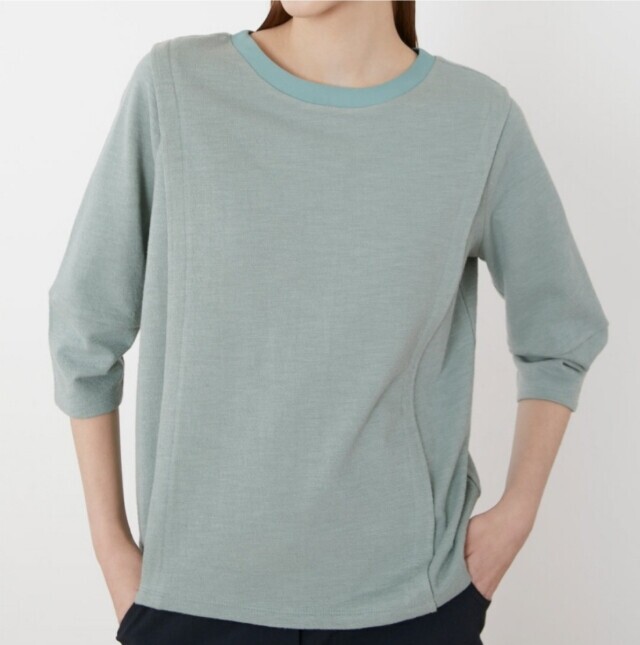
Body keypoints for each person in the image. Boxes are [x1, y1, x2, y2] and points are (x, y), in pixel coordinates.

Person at [47, 2, 609, 643]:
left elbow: (561, 328)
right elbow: (84, 326)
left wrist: (519, 513)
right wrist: (111, 548)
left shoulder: (478, 120)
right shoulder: (177, 87)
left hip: (409, 607)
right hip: (189, 604)